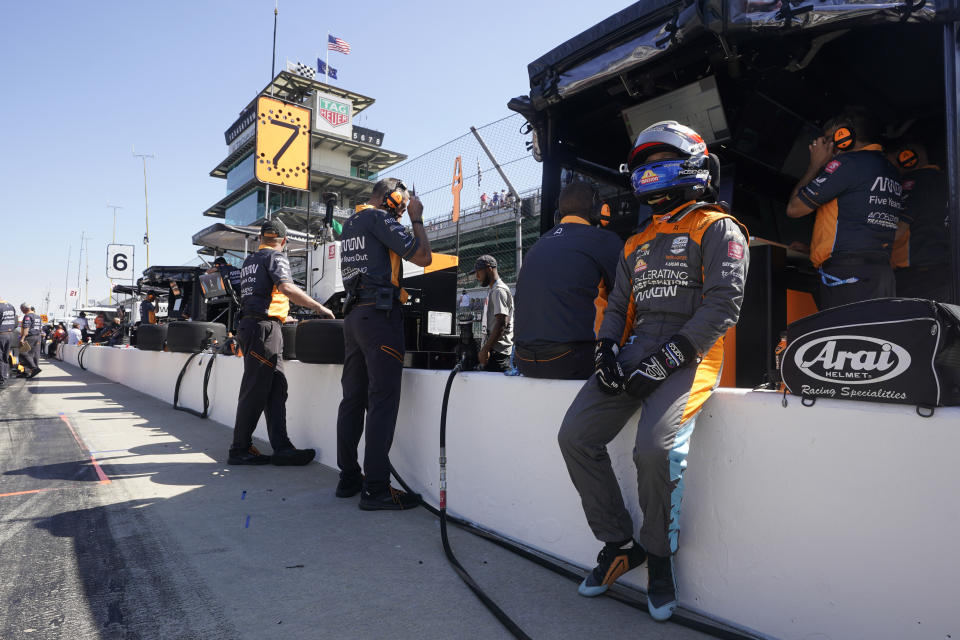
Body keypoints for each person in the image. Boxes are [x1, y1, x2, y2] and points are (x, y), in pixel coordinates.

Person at [558, 121, 749, 622]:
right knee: (575, 435)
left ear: (694, 167)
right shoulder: (635, 240)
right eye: (640, 171)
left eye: (658, 167)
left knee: (655, 449)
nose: (647, 177)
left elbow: (724, 307)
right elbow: (618, 306)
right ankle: (620, 544)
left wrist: (664, 361)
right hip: (636, 350)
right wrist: (604, 351)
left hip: (692, 352)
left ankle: (659, 556)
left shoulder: (718, 227)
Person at [335, 177, 433, 510]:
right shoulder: (379, 218)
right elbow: (423, 257)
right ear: (389, 198)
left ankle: (349, 477)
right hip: (379, 317)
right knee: (382, 401)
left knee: (352, 399)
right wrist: (418, 219)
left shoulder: (350, 223)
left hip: (353, 317)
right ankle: (376, 488)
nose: (405, 211)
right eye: (403, 204)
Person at [229, 218, 334, 466]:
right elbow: (286, 287)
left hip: (257, 326)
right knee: (255, 391)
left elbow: (262, 295)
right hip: (264, 330)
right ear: (284, 241)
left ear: (261, 238)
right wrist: (318, 307)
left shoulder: (249, 261)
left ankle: (282, 447)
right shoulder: (276, 258)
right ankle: (239, 449)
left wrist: (282, 314)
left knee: (276, 388)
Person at [786, 107, 902, 309]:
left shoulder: (848, 164)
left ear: (845, 136)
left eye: (831, 139)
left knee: (846, 338)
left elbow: (794, 209)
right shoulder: (888, 169)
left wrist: (815, 165)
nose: (828, 147)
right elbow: (857, 222)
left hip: (849, 275)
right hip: (879, 275)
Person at [513, 181, 623, 379]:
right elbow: (627, 297)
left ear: (559, 215)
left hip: (523, 361)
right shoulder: (606, 240)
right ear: (600, 211)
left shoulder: (538, 245)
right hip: (571, 361)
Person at [889, 141, 951, 301]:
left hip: (915, 276)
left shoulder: (913, 182)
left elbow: (897, 231)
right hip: (946, 270)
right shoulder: (949, 179)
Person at [475, 254, 514, 372]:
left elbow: (502, 323)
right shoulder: (493, 290)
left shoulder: (499, 291)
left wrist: (486, 349)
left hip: (498, 353)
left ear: (489, 268)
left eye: (479, 272)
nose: (477, 276)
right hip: (495, 350)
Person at [19, 303, 42, 379]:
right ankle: (28, 371)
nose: (21, 311)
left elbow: (26, 328)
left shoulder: (28, 316)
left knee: (23, 353)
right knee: (33, 354)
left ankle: (34, 368)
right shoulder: (38, 316)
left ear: (25, 308)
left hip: (30, 337)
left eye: (22, 309)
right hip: (37, 336)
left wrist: (22, 338)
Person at [0, 298, 17, 388]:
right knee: (5, 357)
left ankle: (1, 380)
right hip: (10, 334)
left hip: (1, 335)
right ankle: (4, 377)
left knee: (1, 358)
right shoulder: (11, 306)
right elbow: (15, 322)